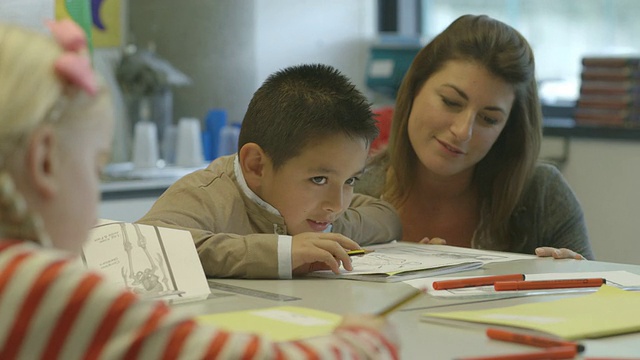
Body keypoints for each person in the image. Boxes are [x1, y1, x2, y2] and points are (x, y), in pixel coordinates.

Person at [0, 20, 399, 359]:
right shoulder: (40, 289)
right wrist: (369, 337)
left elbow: (381, 213)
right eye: (96, 167)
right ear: (45, 162)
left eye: (349, 181)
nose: (337, 201)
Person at [356, 14, 594, 260]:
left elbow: (602, 296)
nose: (463, 131)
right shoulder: (349, 189)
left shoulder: (542, 194)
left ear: (507, 129)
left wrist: (579, 286)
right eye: (450, 102)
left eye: (489, 119)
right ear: (415, 87)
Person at [137, 64, 402, 279]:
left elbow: (386, 217)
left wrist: (325, 235)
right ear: (256, 165)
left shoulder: (324, 206)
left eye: (350, 180)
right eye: (318, 179)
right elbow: (145, 245)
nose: (337, 204)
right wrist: (281, 252)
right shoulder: (208, 194)